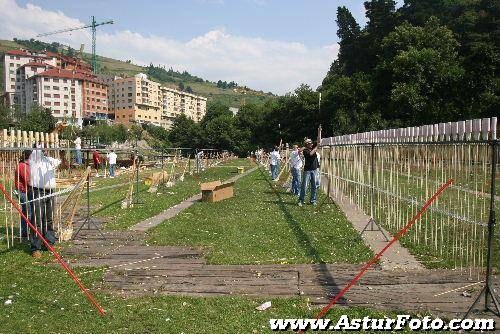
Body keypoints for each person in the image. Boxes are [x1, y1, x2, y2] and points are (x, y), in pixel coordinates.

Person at [28, 149, 61, 258]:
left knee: (49, 219)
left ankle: (49, 242)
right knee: (37, 220)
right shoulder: (34, 158)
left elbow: (60, 162)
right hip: (38, 191)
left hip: (50, 191)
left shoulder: (48, 159)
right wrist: (43, 146)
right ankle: (36, 247)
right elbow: (37, 150)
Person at [15, 150, 32, 241]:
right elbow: (28, 180)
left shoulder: (29, 165)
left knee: (29, 211)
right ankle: (25, 233)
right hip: (22, 191)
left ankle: (28, 231)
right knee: (27, 211)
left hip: (27, 190)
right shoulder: (22, 166)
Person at [298, 138, 320, 206]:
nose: (312, 144)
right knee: (305, 186)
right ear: (307, 144)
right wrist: (317, 147)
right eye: (310, 143)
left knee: (314, 186)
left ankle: (313, 200)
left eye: (312, 143)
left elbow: (319, 141)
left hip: (315, 170)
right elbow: (311, 154)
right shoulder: (305, 150)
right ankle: (301, 201)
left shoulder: (312, 148)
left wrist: (319, 131)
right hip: (307, 171)